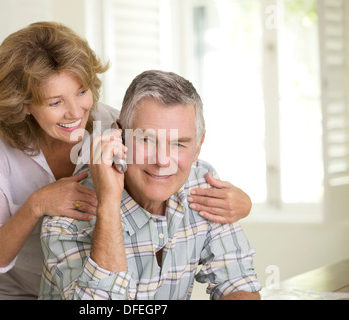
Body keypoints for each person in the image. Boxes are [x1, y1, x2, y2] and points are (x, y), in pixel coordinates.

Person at [0, 22, 252, 300]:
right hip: (21, 282)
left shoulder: (113, 127)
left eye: (82, 91)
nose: (76, 112)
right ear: (24, 104)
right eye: (55, 102)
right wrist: (36, 204)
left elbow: (172, 150)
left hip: (92, 278)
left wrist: (243, 202)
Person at [40, 70, 261, 300]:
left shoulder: (202, 184)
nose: (162, 161)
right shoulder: (68, 217)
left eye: (179, 144)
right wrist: (108, 206)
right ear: (120, 135)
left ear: (198, 146)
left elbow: (237, 283)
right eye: (147, 140)